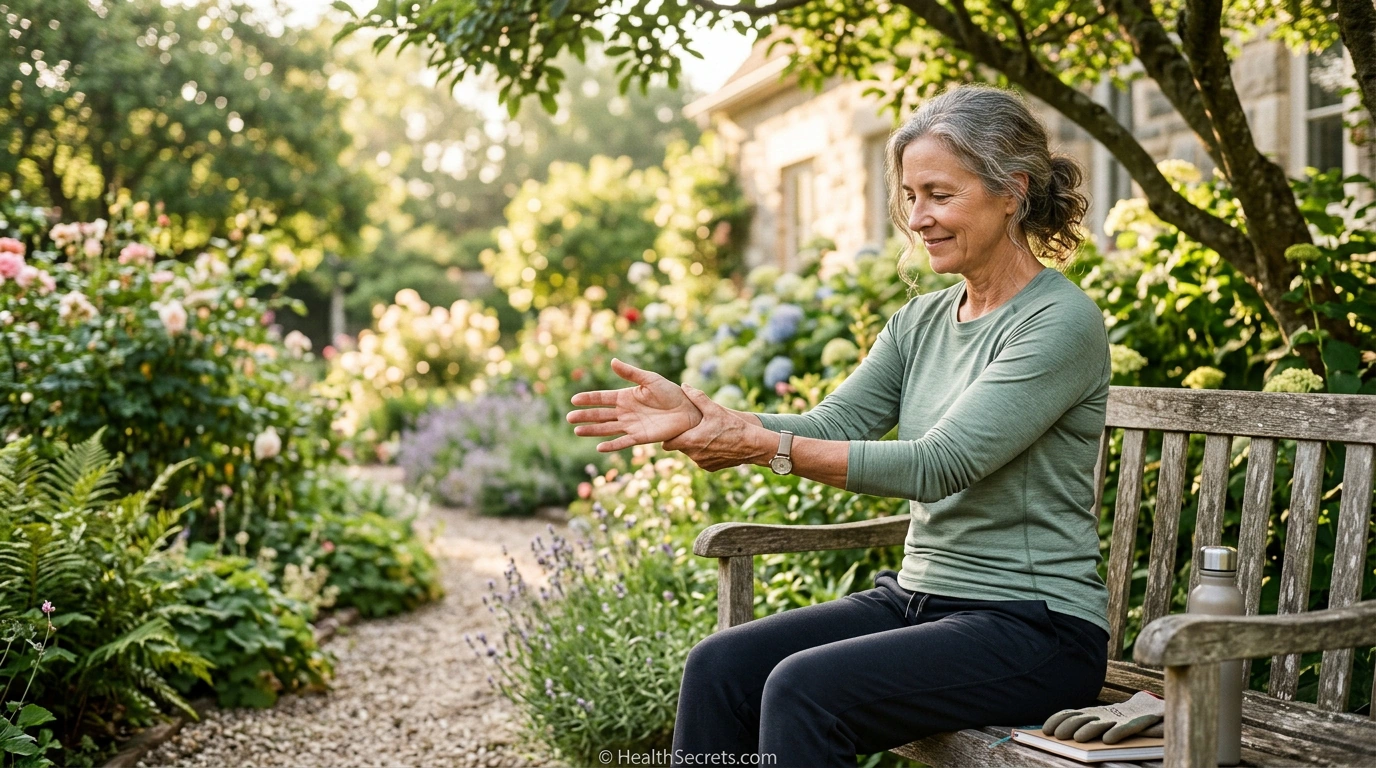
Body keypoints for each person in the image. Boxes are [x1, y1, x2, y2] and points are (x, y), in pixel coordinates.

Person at [566, 83, 1111, 768]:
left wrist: (760, 447)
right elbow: (835, 421)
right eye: (911, 196)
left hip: (1036, 628)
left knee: (806, 690)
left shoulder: (1058, 322)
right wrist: (712, 418)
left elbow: (938, 465)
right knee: (719, 668)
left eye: (940, 195)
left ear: (1013, 191)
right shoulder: (920, 321)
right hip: (921, 598)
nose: (919, 217)